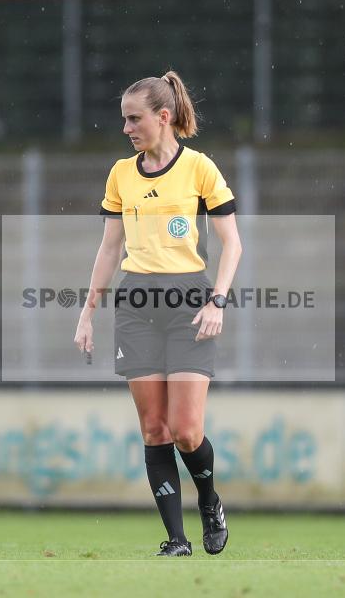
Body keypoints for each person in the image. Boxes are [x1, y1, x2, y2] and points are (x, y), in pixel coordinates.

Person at [74, 71, 242, 557]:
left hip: (191, 303)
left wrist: (219, 301)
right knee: (155, 429)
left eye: (134, 118)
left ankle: (209, 501)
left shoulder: (200, 169)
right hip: (136, 306)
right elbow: (109, 250)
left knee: (187, 430)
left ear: (162, 117)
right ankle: (176, 540)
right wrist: (87, 313)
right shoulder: (121, 174)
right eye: (124, 120)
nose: (126, 128)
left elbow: (233, 243)